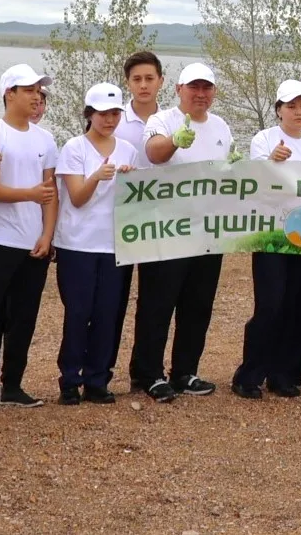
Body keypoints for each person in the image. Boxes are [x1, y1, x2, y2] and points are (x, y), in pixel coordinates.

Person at [132, 62, 234, 402]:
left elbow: (226, 172)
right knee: (157, 304)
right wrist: (175, 141)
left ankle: (184, 371)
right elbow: (154, 152)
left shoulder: (221, 126)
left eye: (207, 88)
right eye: (194, 87)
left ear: (214, 92)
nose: (200, 94)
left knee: (198, 305)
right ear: (178, 89)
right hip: (167, 230)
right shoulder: (163, 120)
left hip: (207, 232)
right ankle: (148, 373)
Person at [0, 65, 58, 409]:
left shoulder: (46, 139)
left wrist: (48, 233)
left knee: (25, 315)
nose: (36, 95)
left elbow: (50, 191)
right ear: (9, 93)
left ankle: (14, 385)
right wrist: (30, 195)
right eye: (28, 89)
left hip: (32, 240)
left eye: (38, 89)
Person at [232, 80, 301, 400]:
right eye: (291, 106)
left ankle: (284, 374)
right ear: (278, 110)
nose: (298, 112)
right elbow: (255, 182)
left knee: (298, 305)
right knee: (270, 303)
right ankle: (249, 374)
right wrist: (272, 161)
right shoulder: (264, 138)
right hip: (271, 230)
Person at [53, 83, 136, 405]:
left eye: (115, 113)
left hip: (113, 243)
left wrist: (129, 178)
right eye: (103, 113)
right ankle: (70, 380)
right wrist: (97, 176)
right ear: (90, 114)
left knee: (107, 314)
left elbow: (133, 200)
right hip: (78, 243)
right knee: (78, 312)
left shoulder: (127, 149)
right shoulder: (75, 147)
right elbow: (76, 197)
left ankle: (98, 379)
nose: (110, 120)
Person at [110, 51, 164, 382]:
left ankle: (145, 372)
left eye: (149, 78)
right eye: (136, 79)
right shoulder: (115, 120)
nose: (143, 85)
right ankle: (102, 370)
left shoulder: (172, 120)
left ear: (161, 81)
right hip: (119, 219)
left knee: (154, 299)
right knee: (114, 298)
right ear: (128, 82)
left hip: (161, 222)